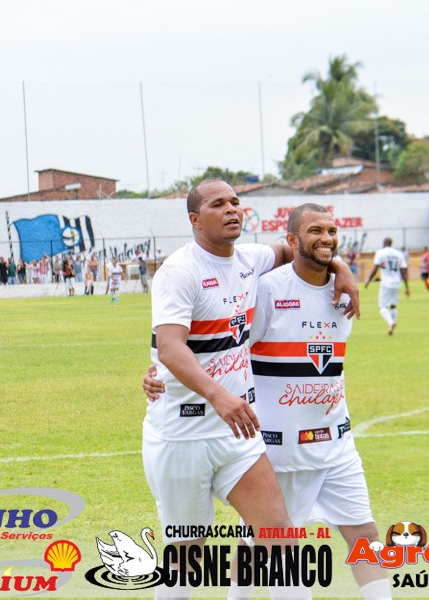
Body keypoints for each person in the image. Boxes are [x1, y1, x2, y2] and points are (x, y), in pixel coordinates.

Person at [143, 204, 388, 599]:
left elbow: (310, 252)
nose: (326, 238)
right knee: (194, 550)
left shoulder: (325, 286)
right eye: (315, 231)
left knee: (313, 538)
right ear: (194, 219)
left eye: (331, 231)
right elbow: (203, 344)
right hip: (242, 439)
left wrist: (341, 267)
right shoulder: (250, 285)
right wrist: (164, 369)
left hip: (318, 440)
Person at [364, 237, 410, 335]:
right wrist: (407, 287)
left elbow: (376, 268)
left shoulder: (380, 253)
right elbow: (403, 271)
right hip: (397, 283)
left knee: (382, 307)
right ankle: (391, 327)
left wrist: (369, 280)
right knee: (393, 305)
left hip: (386, 283)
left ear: (384, 243)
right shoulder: (399, 254)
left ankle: (391, 322)